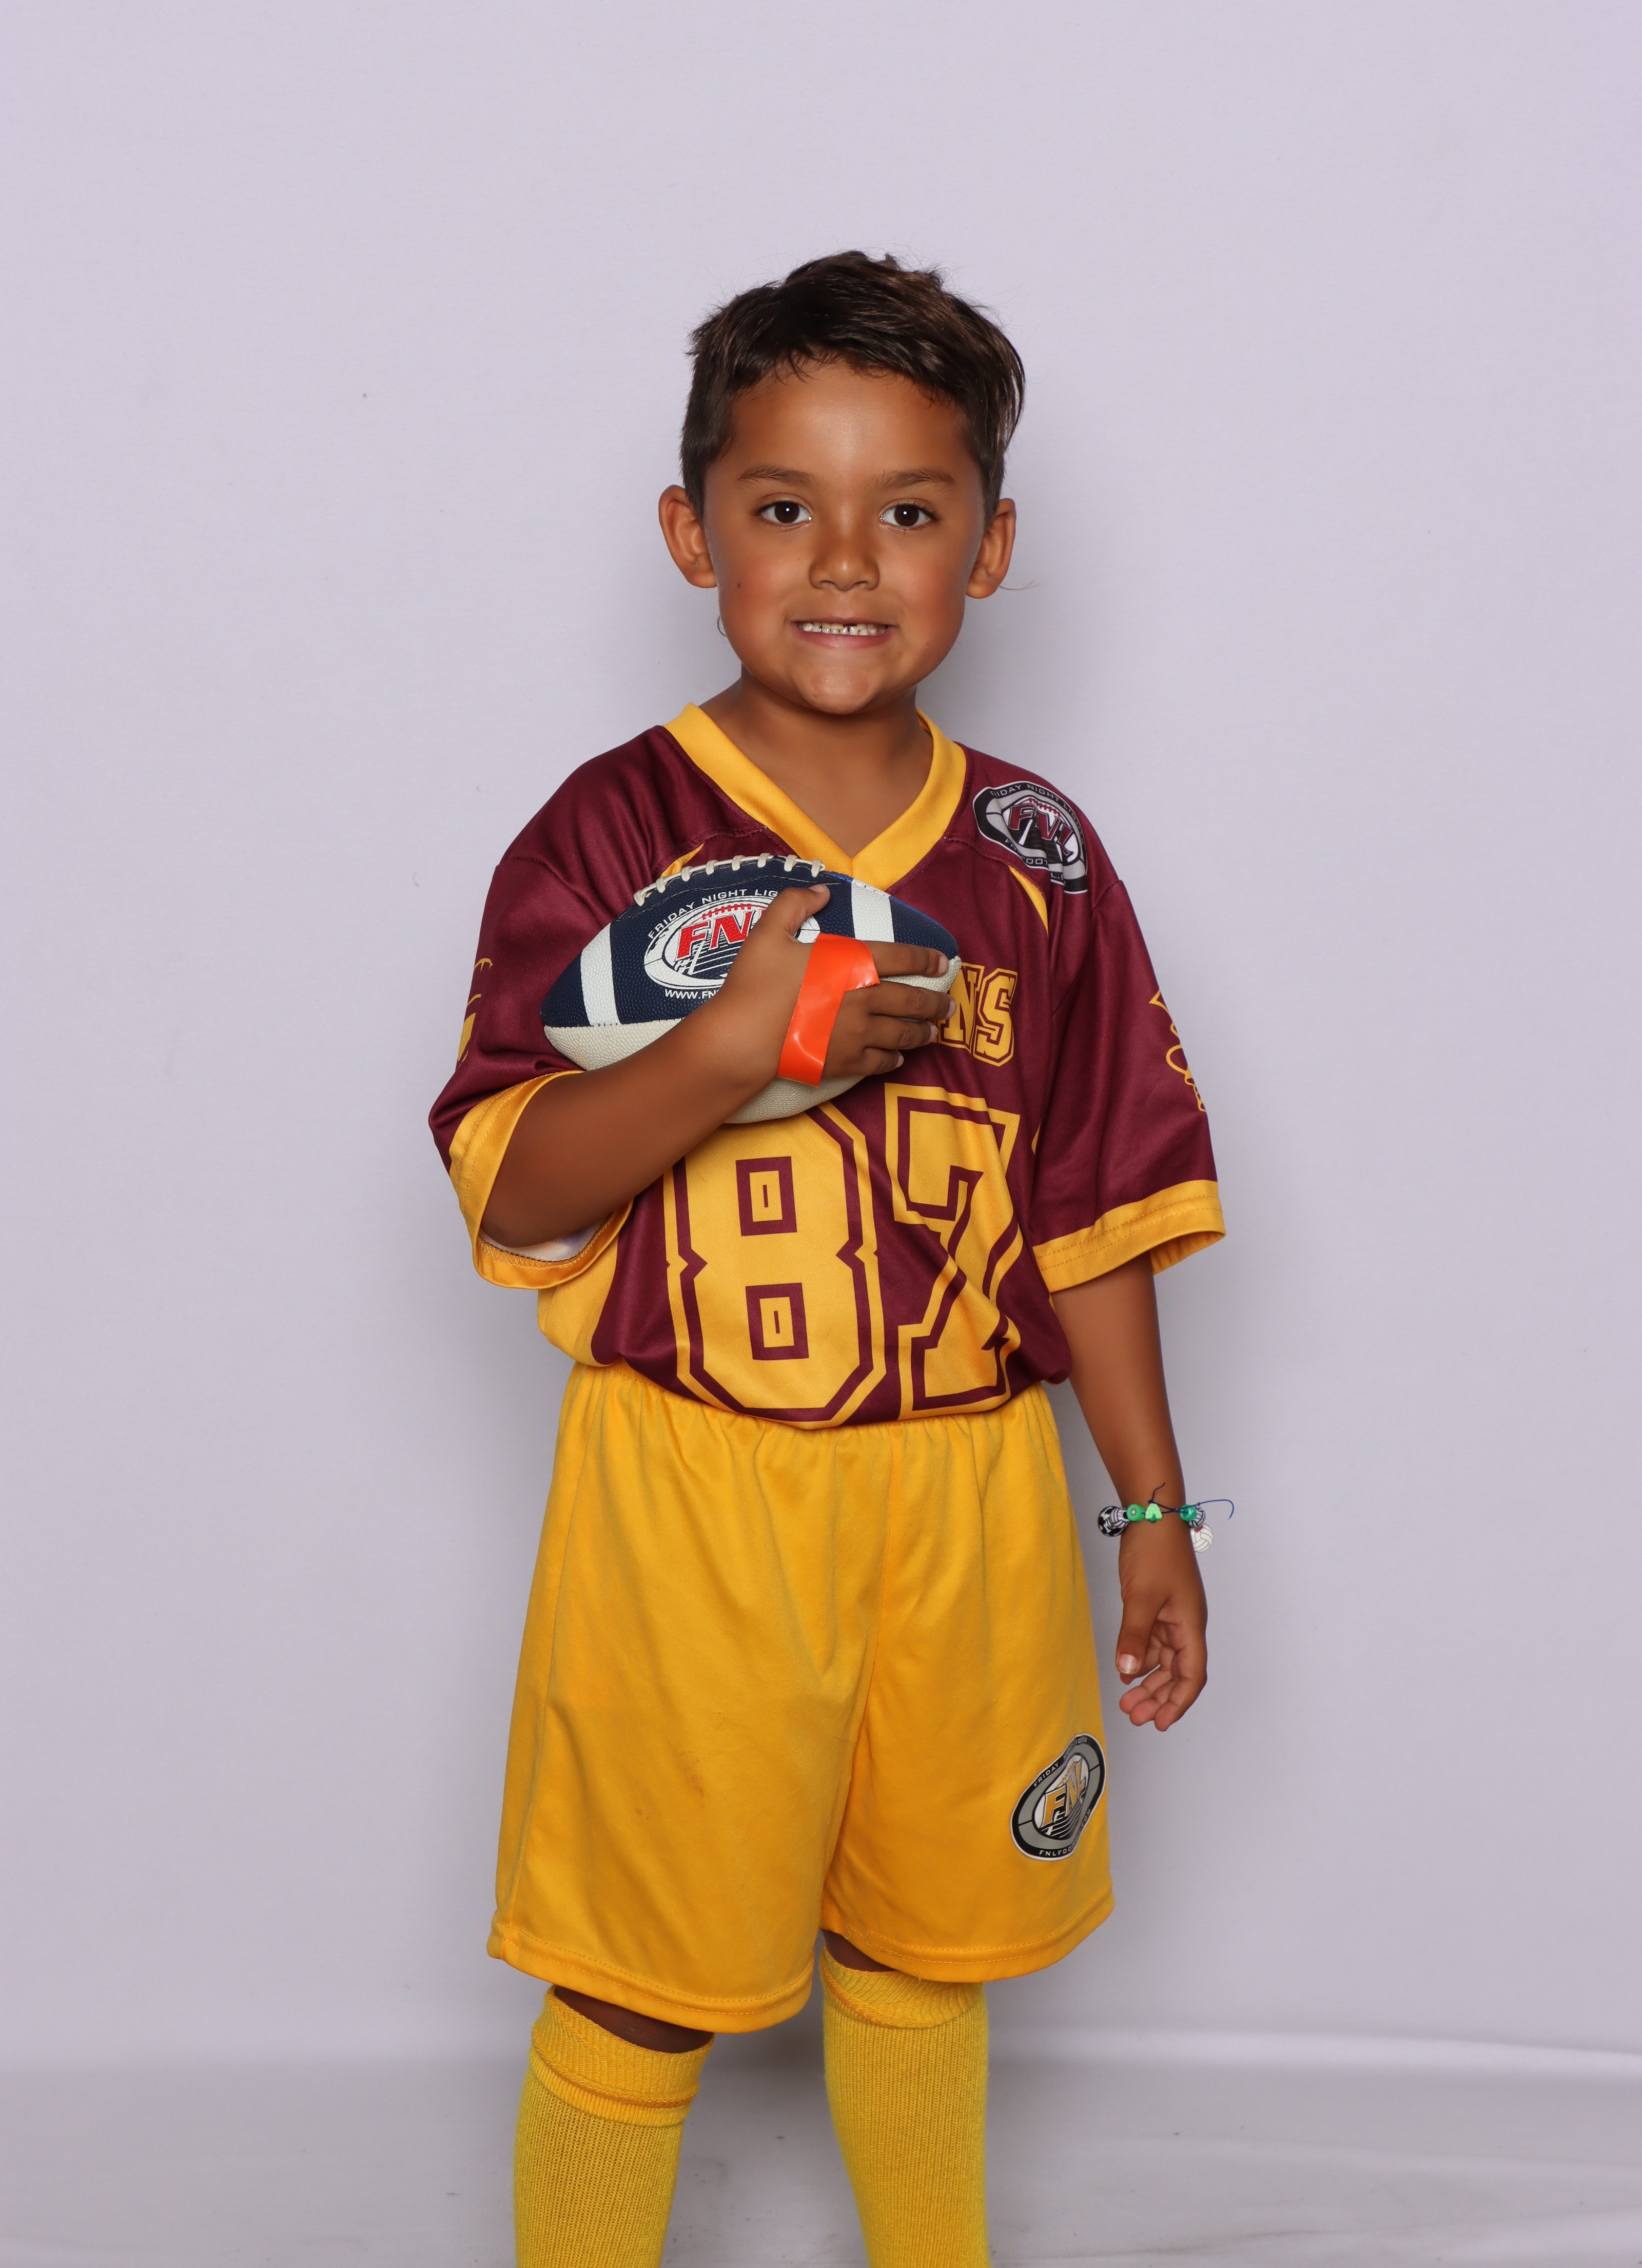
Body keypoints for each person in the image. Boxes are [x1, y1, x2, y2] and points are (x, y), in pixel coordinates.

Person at [429, 251, 1224, 2267]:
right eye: (784, 505)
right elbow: (517, 1192)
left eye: (910, 510)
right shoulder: (612, 834)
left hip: (968, 1491)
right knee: (639, 1976)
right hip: (694, 1499)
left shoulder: (1038, 859)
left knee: (924, 1945)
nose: (846, 561)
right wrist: (728, 1050)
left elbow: (1092, 1211)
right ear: (692, 531)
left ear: (991, 545)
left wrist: (1149, 1509)